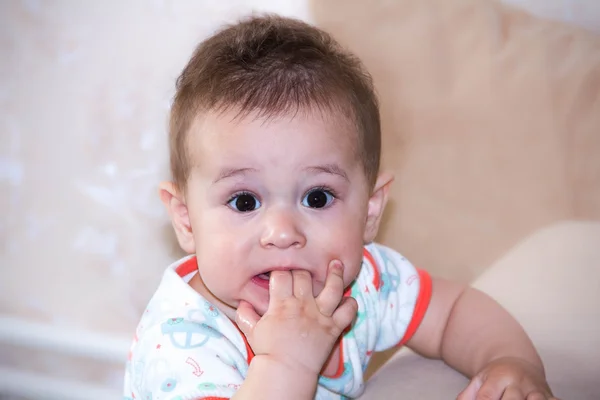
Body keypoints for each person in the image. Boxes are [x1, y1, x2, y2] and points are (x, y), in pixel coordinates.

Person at [123, 14, 556, 400]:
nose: (282, 231)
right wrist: (287, 362)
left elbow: (453, 313)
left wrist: (509, 362)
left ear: (369, 212)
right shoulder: (184, 345)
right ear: (185, 219)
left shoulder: (362, 282)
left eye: (317, 197)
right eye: (244, 201)